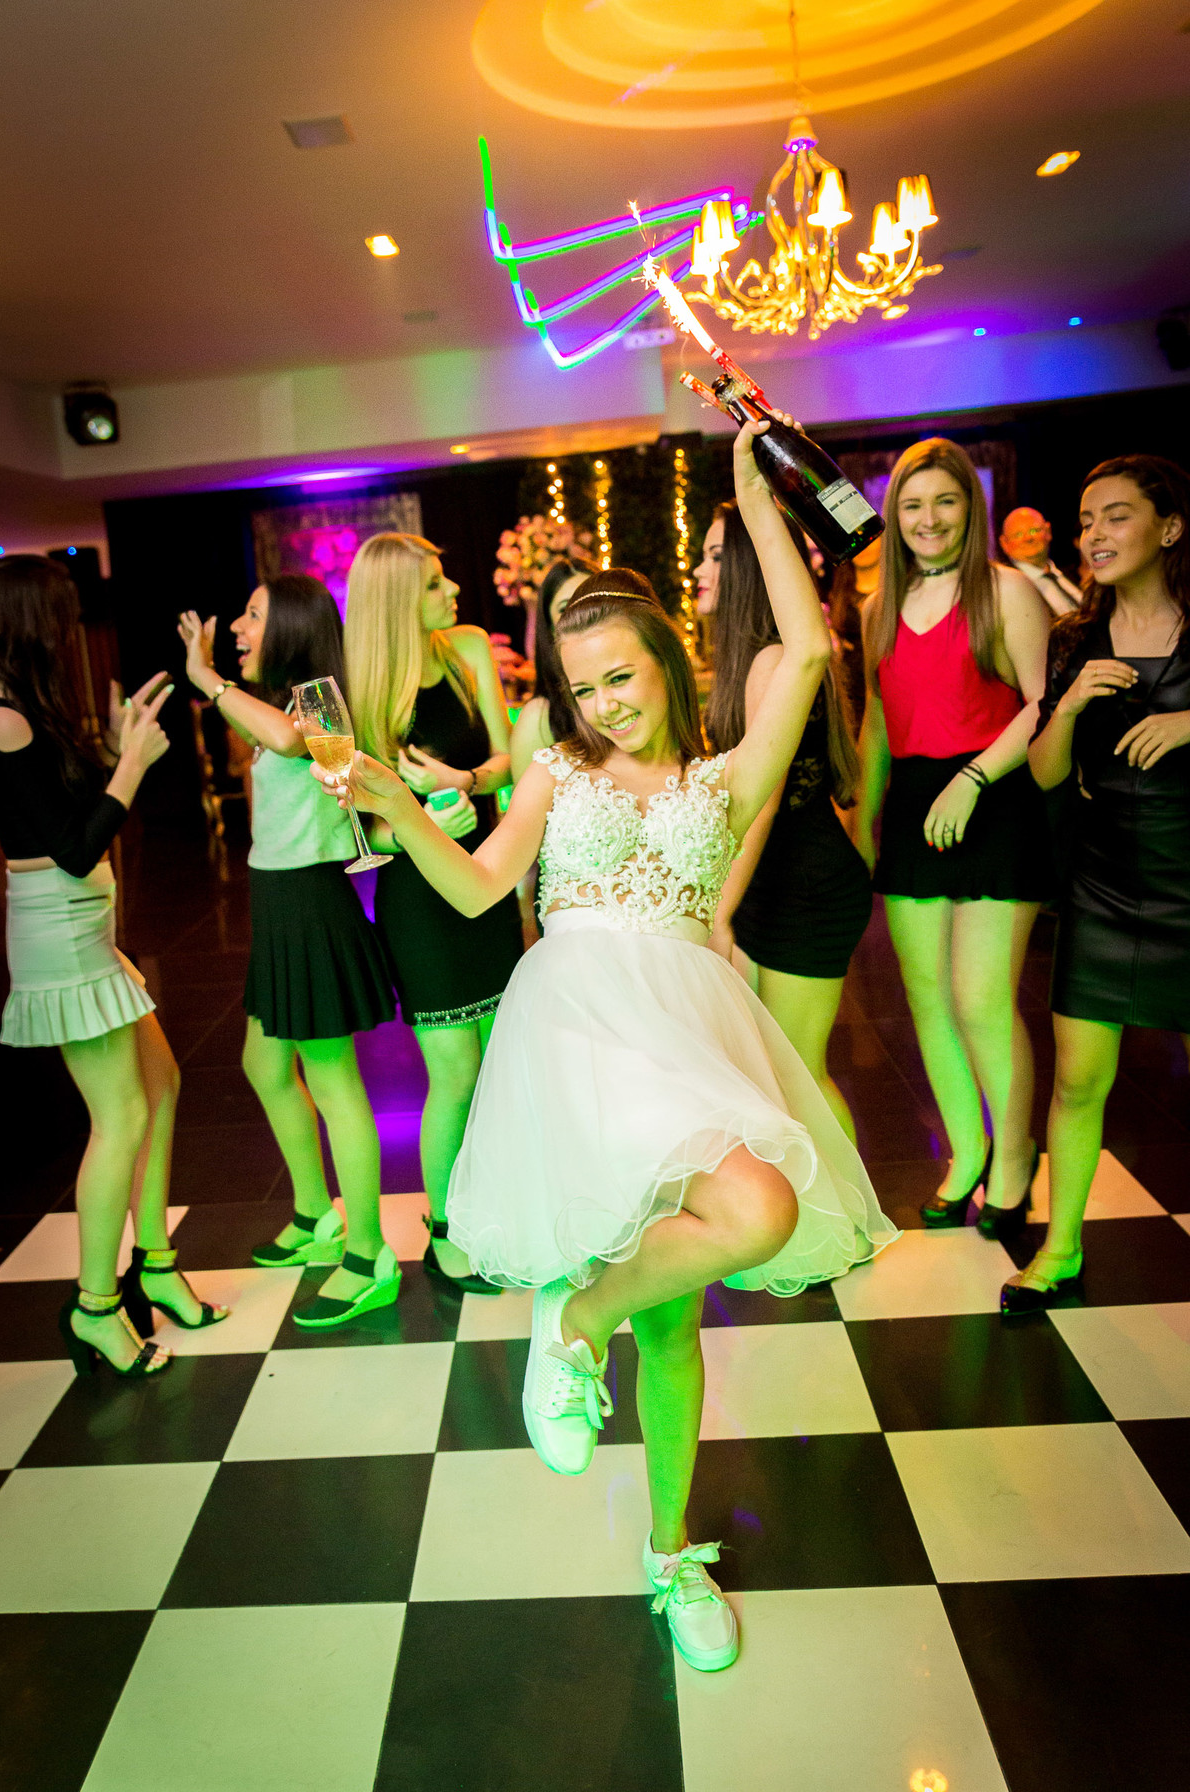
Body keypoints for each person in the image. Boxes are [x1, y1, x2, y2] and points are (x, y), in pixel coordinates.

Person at [314, 421, 897, 1674]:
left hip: (686, 1035)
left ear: (669, 664)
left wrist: (751, 503)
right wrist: (393, 801)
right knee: (682, 1304)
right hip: (575, 1045)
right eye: (582, 688)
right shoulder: (554, 778)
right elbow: (476, 893)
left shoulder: (725, 778)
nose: (603, 704)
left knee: (749, 1222)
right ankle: (631, 1458)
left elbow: (805, 649)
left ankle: (616, 1427)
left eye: (621, 677)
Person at [0, 554, 225, 1374]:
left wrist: (123, 743)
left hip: (85, 927)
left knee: (162, 1086)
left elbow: (75, 808)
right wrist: (133, 765)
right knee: (120, 1116)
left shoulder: (25, 708)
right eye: (59, 615)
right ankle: (95, 1306)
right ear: (29, 622)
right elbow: (72, 843)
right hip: (59, 927)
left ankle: (154, 1265)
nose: (69, 630)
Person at [178, 575, 401, 1328]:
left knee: (333, 1081)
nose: (238, 625)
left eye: (253, 614)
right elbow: (271, 736)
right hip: (279, 902)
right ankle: (315, 1212)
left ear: (295, 627)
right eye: (240, 611)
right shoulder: (287, 699)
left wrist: (204, 677)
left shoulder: (319, 698)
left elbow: (283, 739)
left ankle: (368, 1252)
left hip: (309, 904)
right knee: (263, 1063)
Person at [1003, 455, 1190, 1313]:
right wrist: (1071, 703)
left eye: (1116, 516)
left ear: (1170, 528)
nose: (1094, 535)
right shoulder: (1075, 637)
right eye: (1086, 522)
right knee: (1079, 1079)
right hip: (1104, 883)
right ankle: (1062, 1245)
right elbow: (1042, 774)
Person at [853, 438, 1054, 1234]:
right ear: (893, 516)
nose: (928, 519)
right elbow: (876, 724)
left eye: (945, 501)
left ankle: (1014, 1161)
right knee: (927, 999)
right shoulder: (877, 607)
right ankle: (964, 1154)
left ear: (971, 509)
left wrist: (973, 779)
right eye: (912, 505)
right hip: (911, 806)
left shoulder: (1006, 592)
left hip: (992, 799)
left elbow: (1044, 701)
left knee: (982, 1000)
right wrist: (864, 823)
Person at [344, 533, 524, 1295]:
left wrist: (469, 779)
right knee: (454, 1071)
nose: (453, 591)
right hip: (420, 899)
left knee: (500, 1063)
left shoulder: (469, 648)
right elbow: (357, 829)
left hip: (483, 879)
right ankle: (445, 1232)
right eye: (434, 583)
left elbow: (507, 756)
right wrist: (414, 828)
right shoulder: (361, 693)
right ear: (396, 600)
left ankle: (497, 1206)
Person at [704, 499, 871, 1144]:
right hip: (777, 882)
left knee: (800, 1071)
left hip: (808, 888)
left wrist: (719, 911)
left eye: (717, 556)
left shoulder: (773, 661)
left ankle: (854, 1231)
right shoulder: (751, 661)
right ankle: (815, 1221)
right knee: (773, 1071)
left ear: (748, 568)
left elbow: (762, 798)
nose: (700, 570)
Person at [509, 558, 591, 783]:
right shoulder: (538, 718)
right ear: (551, 627)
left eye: (589, 601)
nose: (582, 616)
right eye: (566, 608)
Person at [827, 535, 882, 731]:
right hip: (852, 690)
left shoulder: (896, 590)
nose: (862, 547)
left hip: (885, 684)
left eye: (869, 540)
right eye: (855, 541)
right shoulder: (840, 590)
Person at [1000, 506, 1083, 617]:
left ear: (1048, 531)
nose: (1028, 538)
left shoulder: (1073, 574)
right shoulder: (1007, 588)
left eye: (1034, 531)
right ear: (1004, 543)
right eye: (1018, 535)